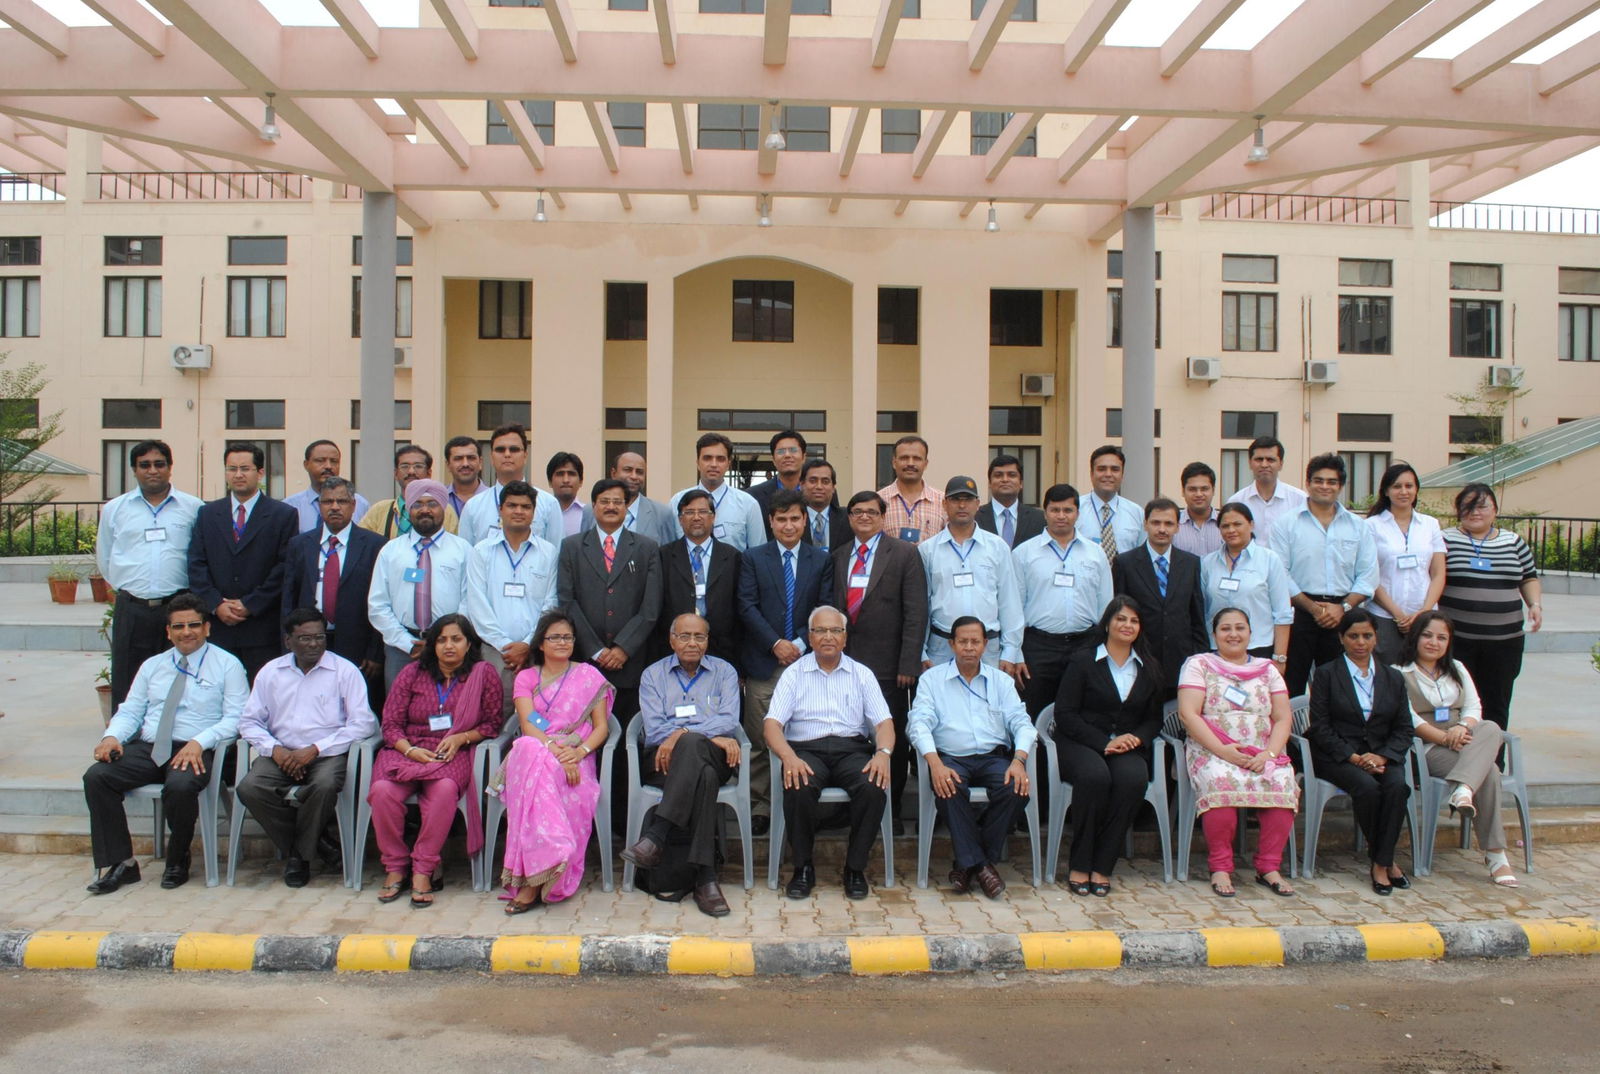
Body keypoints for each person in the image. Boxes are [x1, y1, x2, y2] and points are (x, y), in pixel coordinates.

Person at [82, 594, 248, 894]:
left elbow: (237, 718)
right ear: (168, 632)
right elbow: (131, 710)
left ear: (207, 628)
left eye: (194, 625)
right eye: (179, 626)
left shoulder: (227, 665)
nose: (187, 632)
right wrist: (112, 737)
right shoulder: (152, 666)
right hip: (150, 747)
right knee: (97, 777)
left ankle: (178, 859)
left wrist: (200, 741)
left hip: (196, 747)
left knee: (181, 786)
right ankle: (122, 863)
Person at [368, 614, 504, 906]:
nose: (448, 646)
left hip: (452, 752)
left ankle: (423, 869)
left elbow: (492, 724)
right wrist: (409, 750)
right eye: (441, 640)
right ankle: (395, 866)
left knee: (442, 792)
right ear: (432, 644)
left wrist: (460, 737)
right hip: (408, 751)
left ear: (469, 643)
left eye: (456, 639)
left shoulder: (483, 674)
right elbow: (390, 724)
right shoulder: (412, 673)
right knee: (381, 792)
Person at [236, 609, 378, 887]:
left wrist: (314, 749)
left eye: (319, 637)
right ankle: (319, 846)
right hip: (281, 754)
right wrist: (275, 749)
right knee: (249, 788)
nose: (313, 644)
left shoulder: (344, 671)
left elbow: (363, 724)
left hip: (327, 754)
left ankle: (299, 858)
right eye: (305, 638)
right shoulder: (271, 672)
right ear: (288, 641)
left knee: (324, 785)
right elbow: (249, 722)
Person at [765, 606, 895, 900]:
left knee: (873, 786)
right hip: (805, 750)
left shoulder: (861, 674)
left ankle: (854, 868)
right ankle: (803, 868)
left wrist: (884, 753)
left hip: (851, 749)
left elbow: (884, 722)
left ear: (845, 637)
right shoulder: (793, 674)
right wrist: (788, 756)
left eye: (835, 631)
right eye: (820, 631)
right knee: (798, 785)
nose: (828, 637)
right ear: (809, 638)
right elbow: (772, 725)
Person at [623, 613, 744, 917]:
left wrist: (684, 733)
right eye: (685, 636)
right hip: (664, 761)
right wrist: (704, 735)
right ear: (672, 640)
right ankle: (706, 879)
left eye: (699, 637)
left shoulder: (725, 672)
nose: (692, 643)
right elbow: (654, 729)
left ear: (707, 640)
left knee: (693, 747)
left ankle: (657, 836)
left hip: (715, 757)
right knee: (703, 775)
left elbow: (730, 719)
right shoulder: (653, 675)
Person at [908, 617, 1035, 898]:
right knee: (948, 786)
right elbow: (918, 724)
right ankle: (984, 865)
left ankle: (969, 863)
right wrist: (935, 764)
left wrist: (1019, 760)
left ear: (985, 645)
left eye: (975, 642)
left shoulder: (1001, 681)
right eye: (962, 641)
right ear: (952, 644)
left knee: (1016, 788)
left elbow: (1022, 723)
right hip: (951, 758)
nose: (969, 648)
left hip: (994, 758)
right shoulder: (932, 680)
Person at [1177, 608, 1298, 899]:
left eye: (1240, 628)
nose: (1233, 634)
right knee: (1220, 781)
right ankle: (1220, 867)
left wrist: (1269, 755)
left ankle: (1268, 867)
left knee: (1282, 781)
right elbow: (1188, 714)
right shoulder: (1199, 664)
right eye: (1226, 629)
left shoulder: (1267, 669)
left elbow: (1283, 718)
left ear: (1250, 633)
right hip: (1213, 749)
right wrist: (1223, 751)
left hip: (1261, 751)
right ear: (1214, 634)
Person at [499, 611, 614, 913]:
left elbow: (601, 727)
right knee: (526, 746)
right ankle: (549, 856)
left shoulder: (589, 676)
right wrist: (553, 750)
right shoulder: (526, 677)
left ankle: (533, 880)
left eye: (567, 637)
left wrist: (577, 753)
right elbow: (528, 723)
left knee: (535, 764)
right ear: (540, 643)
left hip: (577, 756)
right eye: (555, 637)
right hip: (540, 749)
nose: (562, 642)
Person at [1398, 611, 1519, 887]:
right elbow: (1409, 719)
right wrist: (1444, 738)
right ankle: (1496, 856)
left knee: (1490, 727)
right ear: (1415, 637)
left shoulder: (1457, 668)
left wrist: (1462, 728)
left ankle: (1463, 790)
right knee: (1488, 771)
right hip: (1428, 747)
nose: (1434, 642)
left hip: (1463, 739)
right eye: (1427, 635)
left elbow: (1474, 707)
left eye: (1441, 637)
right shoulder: (1399, 673)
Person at [737, 489, 834, 832]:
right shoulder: (753, 557)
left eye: (795, 518)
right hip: (765, 663)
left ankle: (799, 801)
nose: (789, 525)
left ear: (805, 520)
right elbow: (746, 605)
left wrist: (799, 642)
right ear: (771, 522)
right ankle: (760, 806)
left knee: (802, 734)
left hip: (807, 661)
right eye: (781, 519)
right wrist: (775, 643)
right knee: (761, 738)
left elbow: (825, 606)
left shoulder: (821, 560)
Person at [1051, 597, 1162, 897]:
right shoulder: (1084, 660)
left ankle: (1102, 865)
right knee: (1094, 777)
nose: (1127, 626)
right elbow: (1065, 714)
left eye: (1134, 621)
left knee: (1133, 779)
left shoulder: (1148, 666)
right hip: (1081, 741)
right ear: (1108, 623)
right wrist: (1104, 742)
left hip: (1126, 745)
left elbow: (1153, 720)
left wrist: (1136, 739)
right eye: (1121, 619)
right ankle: (1080, 863)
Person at [833, 490, 928, 832]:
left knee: (892, 739)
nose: (864, 517)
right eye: (857, 512)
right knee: (855, 735)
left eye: (871, 512)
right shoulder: (840, 555)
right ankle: (859, 804)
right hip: (848, 664)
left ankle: (895, 809)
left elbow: (916, 612)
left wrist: (908, 663)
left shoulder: (903, 554)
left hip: (890, 667)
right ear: (849, 517)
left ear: (882, 516)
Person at [1305, 608, 1415, 895]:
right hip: (1338, 754)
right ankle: (1383, 865)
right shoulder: (1327, 675)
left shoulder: (1393, 677)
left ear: (1376, 638)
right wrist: (1354, 757)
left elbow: (1404, 728)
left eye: (1367, 635)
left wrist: (1382, 756)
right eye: (1353, 636)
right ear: (1341, 638)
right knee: (1367, 788)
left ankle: (1382, 859)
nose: (1360, 642)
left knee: (1397, 787)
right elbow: (1321, 727)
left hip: (1382, 754)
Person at [95, 439, 204, 707]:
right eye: (144, 465)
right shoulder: (115, 509)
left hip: (178, 607)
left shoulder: (193, 508)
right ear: (134, 469)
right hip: (133, 607)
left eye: (159, 464)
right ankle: (128, 741)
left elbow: (201, 555)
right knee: (128, 677)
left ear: (170, 468)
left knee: (180, 675)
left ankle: (177, 736)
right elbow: (106, 557)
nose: (152, 470)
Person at [187, 441, 299, 680]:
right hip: (218, 626)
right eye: (231, 468)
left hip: (261, 626)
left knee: (261, 697)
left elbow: (285, 567)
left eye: (245, 468)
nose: (238, 475)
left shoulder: (283, 515)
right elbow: (196, 564)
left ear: (260, 473)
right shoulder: (207, 514)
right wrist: (216, 604)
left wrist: (251, 603)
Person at [557, 478, 663, 727]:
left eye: (618, 502)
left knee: (627, 734)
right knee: (585, 730)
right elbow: (567, 601)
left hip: (631, 661)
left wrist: (623, 648)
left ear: (627, 508)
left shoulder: (646, 547)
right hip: (586, 660)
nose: (611, 506)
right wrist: (596, 649)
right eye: (605, 501)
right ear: (593, 506)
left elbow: (651, 606)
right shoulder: (571, 546)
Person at [1438, 483, 1542, 735]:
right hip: (1458, 640)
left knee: (1497, 702)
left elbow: (1528, 577)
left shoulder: (1513, 541)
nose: (1475, 512)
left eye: (1482, 506)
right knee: (1458, 703)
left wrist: (1534, 604)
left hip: (1504, 641)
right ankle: (1460, 759)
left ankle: (1494, 764)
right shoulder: (1446, 539)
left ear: (1495, 510)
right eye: (1467, 506)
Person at [1270, 453, 1378, 696]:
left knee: (1339, 685)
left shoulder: (1358, 526)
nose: (1324, 486)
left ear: (1340, 486)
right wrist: (1313, 609)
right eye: (1318, 480)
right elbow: (1280, 574)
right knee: (1292, 683)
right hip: (1299, 612)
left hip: (1343, 614)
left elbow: (1368, 575)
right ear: (1307, 483)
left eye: (1331, 482)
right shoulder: (1286, 524)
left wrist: (1343, 608)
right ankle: (1291, 733)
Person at [463, 480, 560, 718]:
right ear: (500, 509)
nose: (518, 511)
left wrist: (528, 644)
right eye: (512, 505)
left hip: (537, 650)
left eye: (525, 507)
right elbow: (477, 603)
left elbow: (551, 602)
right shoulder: (482, 551)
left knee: (538, 716)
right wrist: (505, 646)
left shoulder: (549, 553)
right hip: (496, 653)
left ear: (534, 512)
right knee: (495, 714)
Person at [1012, 482, 1111, 715]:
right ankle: (1037, 753)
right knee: (1034, 711)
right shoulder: (1024, 554)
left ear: (1078, 513)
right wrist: (1015, 653)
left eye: (1068, 510)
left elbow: (1105, 604)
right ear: (1045, 512)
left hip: (1084, 644)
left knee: (1080, 711)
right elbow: (1013, 607)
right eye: (1055, 510)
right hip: (1038, 647)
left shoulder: (1095, 553)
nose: (1061, 516)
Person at [367, 479, 473, 686]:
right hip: (402, 648)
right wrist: (407, 643)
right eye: (417, 504)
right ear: (408, 509)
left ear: (443, 507)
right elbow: (377, 605)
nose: (425, 510)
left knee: (449, 708)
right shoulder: (391, 551)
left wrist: (446, 640)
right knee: (400, 710)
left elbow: (468, 600)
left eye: (432, 504)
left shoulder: (463, 550)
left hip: (451, 647)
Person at [280, 477, 385, 677]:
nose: (335, 507)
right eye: (328, 502)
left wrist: (375, 652)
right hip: (308, 641)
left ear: (353, 505)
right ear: (320, 505)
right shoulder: (300, 545)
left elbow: (380, 601)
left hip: (357, 644)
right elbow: (289, 600)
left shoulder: (375, 545)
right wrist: (289, 645)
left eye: (342, 501)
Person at [922, 476, 1024, 672]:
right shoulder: (928, 550)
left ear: (977, 504)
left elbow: (1009, 602)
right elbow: (922, 605)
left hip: (988, 648)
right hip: (942, 648)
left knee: (988, 702)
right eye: (955, 499)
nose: (962, 505)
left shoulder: (997, 547)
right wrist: (922, 651)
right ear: (944, 504)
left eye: (968, 499)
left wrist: (1011, 652)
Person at [1112, 498, 1207, 697]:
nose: (1162, 529)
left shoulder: (1191, 564)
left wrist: (1200, 657)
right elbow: (1118, 616)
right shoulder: (1125, 563)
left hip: (1181, 660)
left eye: (1168, 523)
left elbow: (1197, 615)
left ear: (1177, 527)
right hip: (1139, 658)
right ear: (1145, 524)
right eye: (1156, 523)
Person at [1365, 462, 1446, 664]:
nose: (1403, 491)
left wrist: (1424, 612)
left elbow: (1438, 573)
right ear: (1386, 491)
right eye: (1397, 486)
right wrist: (1398, 615)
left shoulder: (1430, 524)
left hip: (1425, 616)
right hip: (1385, 616)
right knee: (1388, 676)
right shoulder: (1371, 526)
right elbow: (1370, 575)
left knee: (1422, 674)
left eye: (1409, 486)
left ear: (1416, 489)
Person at [658, 488, 743, 673]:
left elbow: (739, 609)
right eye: (689, 512)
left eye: (703, 512)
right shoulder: (663, 556)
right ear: (680, 519)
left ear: (713, 517)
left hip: (722, 651)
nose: (696, 517)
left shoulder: (732, 557)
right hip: (673, 652)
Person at [1199, 502, 1295, 663]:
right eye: (1225, 526)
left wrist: (1280, 657)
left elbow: (1282, 613)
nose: (1231, 530)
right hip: (1217, 648)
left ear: (1251, 525)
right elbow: (1202, 608)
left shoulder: (1269, 560)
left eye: (1237, 524)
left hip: (1258, 646)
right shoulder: (1208, 562)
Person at [458, 424, 564, 549]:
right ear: (491, 457)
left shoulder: (548, 504)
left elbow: (556, 553)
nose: (507, 454)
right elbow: (466, 556)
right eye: (500, 450)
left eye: (514, 449)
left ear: (525, 456)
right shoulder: (473, 506)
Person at [667, 433, 765, 551]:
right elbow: (669, 551)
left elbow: (758, 553)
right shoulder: (677, 502)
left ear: (728, 464)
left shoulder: (748, 504)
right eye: (707, 458)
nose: (714, 464)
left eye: (720, 459)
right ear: (697, 462)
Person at [358, 444, 460, 539]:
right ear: (396, 474)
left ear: (429, 473)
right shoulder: (379, 510)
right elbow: (362, 543)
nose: (411, 471)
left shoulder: (445, 510)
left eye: (418, 466)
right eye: (405, 466)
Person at [1225, 435, 1306, 548]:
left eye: (1270, 460)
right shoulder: (1236, 501)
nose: (1264, 464)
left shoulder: (1299, 500)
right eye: (1259, 459)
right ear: (1249, 463)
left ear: (1281, 464)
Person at [583, 450, 676, 547]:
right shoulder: (590, 511)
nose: (634, 476)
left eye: (639, 472)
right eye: (628, 470)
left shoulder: (662, 514)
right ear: (614, 473)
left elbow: (668, 555)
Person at [283, 439, 370, 533]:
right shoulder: (290, 506)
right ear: (306, 464)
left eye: (334, 461)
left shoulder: (360, 504)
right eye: (320, 461)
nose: (328, 466)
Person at [1081, 445, 1145, 563]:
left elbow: (1143, 556)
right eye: (1101, 469)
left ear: (1122, 474)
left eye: (1115, 469)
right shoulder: (1075, 509)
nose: (1108, 474)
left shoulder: (1137, 513)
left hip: (1125, 580)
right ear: (1091, 473)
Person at [878, 435, 944, 544]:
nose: (910, 463)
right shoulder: (878, 500)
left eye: (917, 458)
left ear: (925, 464)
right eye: (904, 458)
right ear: (894, 463)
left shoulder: (943, 502)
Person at [748, 429, 808, 539]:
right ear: (773, 460)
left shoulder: (818, 492)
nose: (787, 455)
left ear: (804, 457)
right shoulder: (753, 496)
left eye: (793, 450)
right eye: (781, 451)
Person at [976, 453, 1044, 549]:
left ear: (1021, 483)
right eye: (998, 475)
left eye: (1011, 475)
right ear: (989, 483)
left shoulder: (1039, 519)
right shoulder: (975, 517)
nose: (1005, 480)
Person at [799, 458, 850, 552]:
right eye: (813, 481)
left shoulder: (848, 518)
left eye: (825, 482)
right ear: (802, 485)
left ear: (833, 487)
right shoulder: (793, 518)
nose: (819, 486)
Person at [1173, 461, 1222, 558]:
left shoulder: (1226, 524)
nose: (1199, 494)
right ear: (1183, 491)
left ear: (1213, 490)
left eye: (1204, 489)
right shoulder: (1172, 523)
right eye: (1192, 489)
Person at [442, 435, 487, 519]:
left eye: (471, 458)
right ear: (448, 465)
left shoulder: (494, 499)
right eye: (458, 458)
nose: (465, 464)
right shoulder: (439, 499)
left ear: (480, 463)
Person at [547, 452, 586, 537]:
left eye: (571, 474)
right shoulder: (542, 513)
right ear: (550, 481)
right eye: (560, 474)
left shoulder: (588, 515)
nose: (566, 480)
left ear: (581, 481)